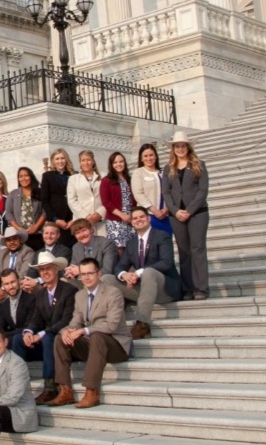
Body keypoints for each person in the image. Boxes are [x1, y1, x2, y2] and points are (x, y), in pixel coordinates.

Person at [48, 257, 131, 409]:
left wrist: (83, 330)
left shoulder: (114, 293)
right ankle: (65, 390)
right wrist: (66, 331)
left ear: (99, 274)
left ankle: (91, 391)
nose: (86, 277)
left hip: (116, 345)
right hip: (93, 345)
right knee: (60, 339)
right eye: (83, 274)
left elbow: (111, 326)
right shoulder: (80, 296)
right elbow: (74, 322)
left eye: (90, 273)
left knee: (97, 336)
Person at [109, 207, 182, 340]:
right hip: (144, 288)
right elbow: (120, 266)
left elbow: (167, 262)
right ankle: (108, 321)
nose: (138, 220)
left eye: (142, 216)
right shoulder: (131, 242)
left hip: (165, 288)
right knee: (106, 278)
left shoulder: (162, 236)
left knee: (148, 272)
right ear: (132, 222)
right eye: (135, 218)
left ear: (149, 219)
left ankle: (142, 325)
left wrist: (138, 272)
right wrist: (125, 274)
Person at [16, 251, 77, 405]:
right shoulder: (41, 294)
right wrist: (29, 332)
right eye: (42, 270)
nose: (45, 272)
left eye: (48, 268)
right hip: (47, 342)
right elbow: (36, 319)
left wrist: (41, 334)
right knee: (18, 339)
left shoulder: (69, 290)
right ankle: (18, 383)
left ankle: (50, 386)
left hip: (63, 340)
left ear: (56, 269)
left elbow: (66, 320)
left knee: (49, 337)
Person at [162, 130, 210, 300]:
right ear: (173, 149)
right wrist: (175, 210)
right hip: (177, 215)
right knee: (183, 251)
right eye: (177, 146)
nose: (180, 149)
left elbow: (202, 190)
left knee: (197, 249)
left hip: (197, 213)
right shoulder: (169, 168)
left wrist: (189, 210)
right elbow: (166, 193)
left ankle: (201, 288)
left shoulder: (199, 164)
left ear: (188, 147)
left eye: (183, 146)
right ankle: (187, 288)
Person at [132, 142, 171, 234]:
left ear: (156, 156)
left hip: (166, 216)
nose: (149, 158)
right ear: (141, 158)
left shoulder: (163, 172)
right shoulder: (138, 173)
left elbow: (171, 191)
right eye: (145, 156)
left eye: (151, 155)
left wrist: (167, 209)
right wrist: (155, 211)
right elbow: (139, 194)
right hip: (148, 216)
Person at [40, 148, 76, 247]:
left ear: (66, 159)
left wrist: (74, 219)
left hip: (73, 219)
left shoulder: (74, 175)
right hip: (56, 220)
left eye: (62, 158)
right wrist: (55, 219)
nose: (60, 161)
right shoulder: (47, 176)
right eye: (57, 159)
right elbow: (45, 201)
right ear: (53, 161)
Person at [4, 166, 45, 251]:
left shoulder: (39, 192)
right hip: (20, 236)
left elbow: (45, 212)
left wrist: (35, 227)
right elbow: (8, 214)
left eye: (26, 175)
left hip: (37, 234)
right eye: (20, 176)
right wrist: (20, 229)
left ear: (31, 176)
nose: (23, 178)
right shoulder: (13, 194)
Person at [67, 149, 105, 238]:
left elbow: (108, 197)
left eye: (88, 160)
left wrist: (100, 212)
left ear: (93, 161)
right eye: (83, 160)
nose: (86, 163)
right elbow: (72, 200)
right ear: (80, 163)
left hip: (100, 220)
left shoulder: (103, 176)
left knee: (102, 246)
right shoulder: (73, 179)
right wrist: (86, 215)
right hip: (82, 220)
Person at [64, 218, 118, 283]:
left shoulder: (106, 244)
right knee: (65, 281)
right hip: (84, 282)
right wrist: (70, 273)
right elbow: (73, 267)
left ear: (91, 230)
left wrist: (81, 271)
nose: (82, 235)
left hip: (105, 282)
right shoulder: (76, 247)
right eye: (77, 233)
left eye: (84, 230)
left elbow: (107, 272)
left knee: (104, 278)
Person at [100, 152, 135, 249]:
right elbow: (106, 202)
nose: (118, 164)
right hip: (115, 220)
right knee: (119, 248)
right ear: (111, 165)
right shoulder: (106, 181)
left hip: (131, 219)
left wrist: (131, 215)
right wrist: (122, 215)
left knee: (132, 247)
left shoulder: (130, 179)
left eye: (121, 161)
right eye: (115, 162)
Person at [0, 227, 35, 292]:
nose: (12, 242)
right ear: (6, 242)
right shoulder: (3, 253)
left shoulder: (27, 252)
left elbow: (23, 274)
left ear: (20, 240)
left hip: (20, 287)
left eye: (15, 239)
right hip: (5, 287)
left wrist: (4, 288)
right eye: (9, 240)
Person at [0, 268, 35, 335]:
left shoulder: (31, 300)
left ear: (19, 281)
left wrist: (5, 336)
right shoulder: (4, 305)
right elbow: (0, 327)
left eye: (13, 282)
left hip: (28, 337)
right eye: (7, 284)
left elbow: (29, 327)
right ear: (3, 286)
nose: (10, 287)